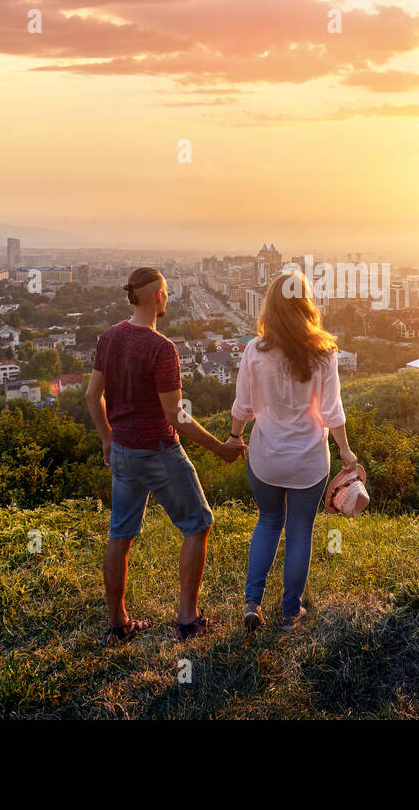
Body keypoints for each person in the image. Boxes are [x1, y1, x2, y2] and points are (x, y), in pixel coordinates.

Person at [85, 267, 245, 645]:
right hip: (158, 450)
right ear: (158, 297)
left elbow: (93, 396)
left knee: (119, 535)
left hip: (123, 450)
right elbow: (176, 416)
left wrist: (108, 439)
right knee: (198, 524)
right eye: (168, 292)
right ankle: (187, 620)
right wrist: (219, 448)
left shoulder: (110, 337)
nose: (169, 297)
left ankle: (118, 624)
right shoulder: (162, 349)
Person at [229, 270, 358, 632]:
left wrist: (235, 437)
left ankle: (251, 603)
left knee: (268, 522)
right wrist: (346, 452)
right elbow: (332, 413)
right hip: (308, 461)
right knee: (300, 530)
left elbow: (243, 406)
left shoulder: (255, 350)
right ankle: (289, 613)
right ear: (306, 305)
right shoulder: (324, 353)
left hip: (266, 458)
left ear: (270, 307)